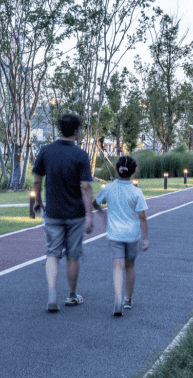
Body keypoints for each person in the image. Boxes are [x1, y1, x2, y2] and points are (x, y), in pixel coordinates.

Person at [32, 112, 95, 312]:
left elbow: (37, 180)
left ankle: (52, 295)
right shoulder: (80, 155)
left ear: (60, 129)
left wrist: (38, 201)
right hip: (75, 214)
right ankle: (71, 296)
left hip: (52, 212)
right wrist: (90, 215)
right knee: (72, 256)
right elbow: (85, 186)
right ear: (77, 131)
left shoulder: (46, 151)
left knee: (52, 253)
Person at [94, 155, 149, 316]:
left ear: (117, 170)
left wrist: (102, 212)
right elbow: (142, 217)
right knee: (129, 266)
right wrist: (145, 238)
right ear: (134, 172)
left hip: (114, 234)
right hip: (132, 235)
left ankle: (117, 299)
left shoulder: (108, 188)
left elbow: (95, 203)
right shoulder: (137, 192)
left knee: (117, 266)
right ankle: (128, 299)